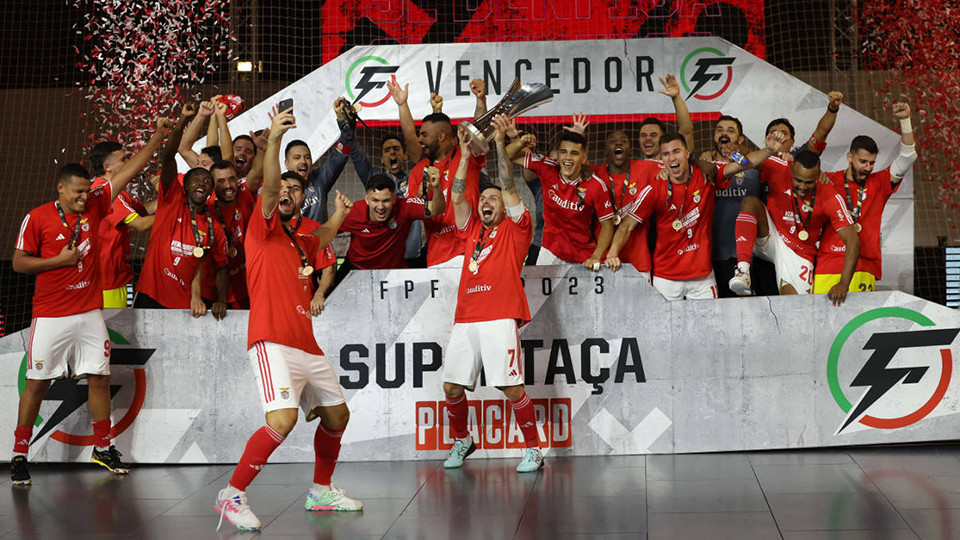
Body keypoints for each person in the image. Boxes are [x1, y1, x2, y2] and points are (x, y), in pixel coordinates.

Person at [216, 106, 360, 532]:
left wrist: (337, 213)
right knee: (283, 420)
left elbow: (325, 238)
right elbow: (269, 185)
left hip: (306, 344)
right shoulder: (261, 229)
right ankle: (232, 493)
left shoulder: (302, 236)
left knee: (337, 416)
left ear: (302, 199)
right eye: (283, 188)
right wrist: (275, 138)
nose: (288, 193)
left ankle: (320, 491)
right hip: (272, 341)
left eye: (296, 191)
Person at [10, 148, 172, 483]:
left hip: (88, 312)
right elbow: (18, 262)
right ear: (61, 189)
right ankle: (19, 454)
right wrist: (58, 262)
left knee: (99, 378)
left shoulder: (97, 203)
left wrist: (158, 136)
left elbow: (127, 172)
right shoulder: (37, 217)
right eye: (78, 192)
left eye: (87, 191)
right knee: (37, 384)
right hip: (51, 314)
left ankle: (102, 448)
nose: (85, 197)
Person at [442, 115, 542, 473]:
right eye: (483, 197)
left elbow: (508, 185)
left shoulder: (517, 229)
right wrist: (466, 156)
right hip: (466, 317)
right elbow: (456, 196)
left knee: (510, 388)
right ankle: (463, 439)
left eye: (493, 199)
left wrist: (499, 143)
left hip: (500, 317)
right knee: (452, 388)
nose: (486, 201)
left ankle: (533, 449)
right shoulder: (471, 232)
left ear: (504, 207)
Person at [605, 131, 784, 300]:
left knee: (709, 330)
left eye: (676, 151)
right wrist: (612, 253)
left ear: (687, 153)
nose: (672, 158)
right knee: (663, 331)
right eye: (666, 154)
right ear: (661, 158)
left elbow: (745, 164)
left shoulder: (707, 176)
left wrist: (769, 150)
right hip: (666, 278)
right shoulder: (654, 188)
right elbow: (626, 226)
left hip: (703, 279)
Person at [134, 103, 229, 317]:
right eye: (195, 180)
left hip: (188, 304)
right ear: (184, 186)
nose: (201, 184)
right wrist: (182, 121)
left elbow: (214, 265)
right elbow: (169, 157)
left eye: (206, 181)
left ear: (211, 190)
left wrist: (220, 299)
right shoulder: (172, 201)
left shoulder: (214, 226)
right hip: (152, 295)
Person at [729, 149, 860, 305]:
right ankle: (743, 271)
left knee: (797, 308)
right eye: (798, 180)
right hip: (773, 235)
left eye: (809, 182)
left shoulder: (830, 196)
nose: (802, 186)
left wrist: (844, 283)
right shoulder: (780, 167)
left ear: (818, 175)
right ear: (791, 169)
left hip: (800, 252)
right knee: (750, 202)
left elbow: (853, 241)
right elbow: (746, 160)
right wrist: (741, 153)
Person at [813, 102, 917, 294]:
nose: (868, 168)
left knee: (857, 324)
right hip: (828, 262)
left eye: (871, 163)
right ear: (849, 157)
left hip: (864, 264)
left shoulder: (880, 182)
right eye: (863, 162)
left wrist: (905, 121)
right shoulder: (828, 180)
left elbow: (908, 157)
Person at [388, 80, 486, 268]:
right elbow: (414, 212)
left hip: (472, 252)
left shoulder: (465, 154)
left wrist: (480, 100)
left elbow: (479, 132)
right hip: (438, 259)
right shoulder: (419, 170)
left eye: (424, 135)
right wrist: (419, 197)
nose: (420, 139)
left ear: (441, 137)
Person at [505, 128, 614, 270]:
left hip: (582, 254)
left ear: (584, 157)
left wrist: (597, 256)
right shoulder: (547, 167)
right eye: (563, 152)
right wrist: (520, 142)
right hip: (550, 251)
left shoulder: (597, 186)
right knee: (538, 292)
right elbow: (506, 154)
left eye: (574, 153)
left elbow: (607, 225)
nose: (567, 157)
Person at [87, 122, 171, 307]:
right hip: (106, 283)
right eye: (124, 159)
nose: (129, 164)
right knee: (112, 334)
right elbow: (141, 224)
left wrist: (173, 199)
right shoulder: (102, 192)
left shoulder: (118, 193)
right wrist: (174, 212)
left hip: (117, 277)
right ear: (107, 167)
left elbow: (144, 210)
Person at [699, 115, 777, 297]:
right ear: (713, 136)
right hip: (716, 256)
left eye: (730, 130)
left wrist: (740, 152)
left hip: (753, 258)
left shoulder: (754, 167)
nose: (724, 133)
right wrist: (700, 161)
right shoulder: (705, 169)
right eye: (719, 130)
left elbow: (753, 159)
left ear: (741, 139)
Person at [336, 172, 444, 280]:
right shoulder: (353, 212)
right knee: (330, 295)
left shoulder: (405, 207)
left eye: (386, 200)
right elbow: (326, 232)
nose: (380, 206)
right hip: (357, 269)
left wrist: (436, 187)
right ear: (367, 199)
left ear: (394, 199)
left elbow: (437, 209)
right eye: (375, 200)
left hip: (393, 273)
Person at [285, 98, 362, 223]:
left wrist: (346, 127)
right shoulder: (279, 188)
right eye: (297, 158)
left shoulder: (319, 179)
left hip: (320, 240)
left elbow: (339, 157)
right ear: (286, 164)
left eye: (307, 157)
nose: (303, 161)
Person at [199, 160, 258, 308]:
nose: (228, 185)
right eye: (221, 181)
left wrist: (265, 149)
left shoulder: (245, 196)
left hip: (244, 289)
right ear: (212, 184)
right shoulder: (205, 210)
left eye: (232, 179)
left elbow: (258, 172)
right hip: (209, 292)